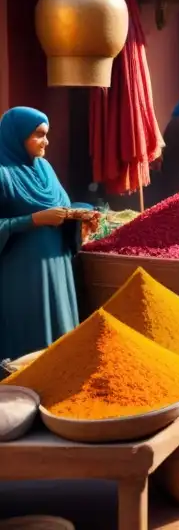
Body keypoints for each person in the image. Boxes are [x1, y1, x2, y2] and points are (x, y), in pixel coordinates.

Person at [0, 107, 98, 361]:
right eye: (39, 135)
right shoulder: (3, 172)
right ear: (16, 136)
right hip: (22, 276)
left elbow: (61, 207)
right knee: (29, 342)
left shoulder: (45, 169)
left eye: (47, 134)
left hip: (58, 267)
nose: (46, 141)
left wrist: (81, 216)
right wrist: (32, 220)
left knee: (60, 338)